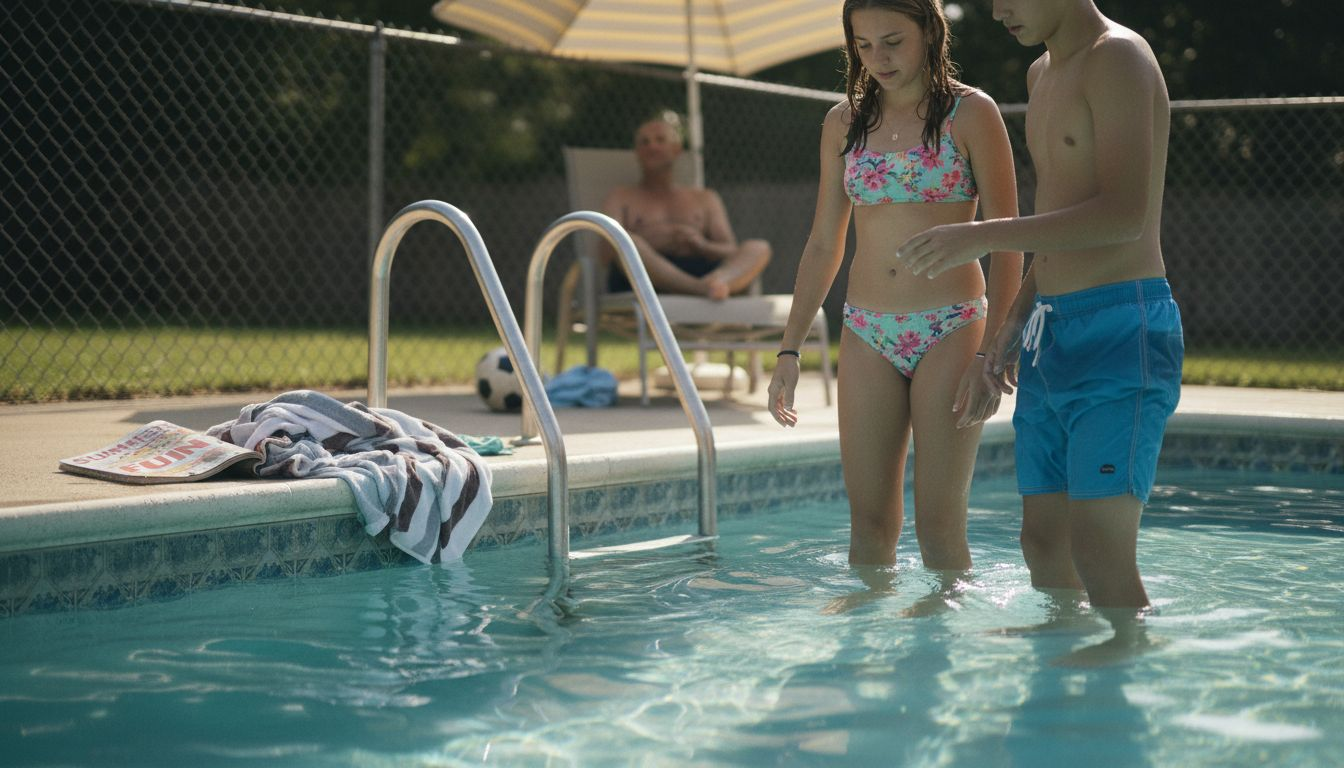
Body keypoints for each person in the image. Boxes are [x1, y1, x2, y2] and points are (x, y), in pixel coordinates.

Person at [895, 0, 1183, 660]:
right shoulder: (1041, 74)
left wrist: (982, 236)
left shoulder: (1119, 60)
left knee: (1099, 544)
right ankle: (1067, 641)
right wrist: (1008, 331)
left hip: (1121, 326)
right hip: (1051, 329)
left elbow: (1123, 215)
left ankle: (1128, 660)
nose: (997, 12)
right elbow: (1059, 217)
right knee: (1042, 541)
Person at [768, 0, 1022, 611]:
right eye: (862, 45)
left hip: (952, 327)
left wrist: (993, 353)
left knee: (938, 524)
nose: (877, 58)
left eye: (892, 41)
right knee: (870, 523)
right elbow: (825, 242)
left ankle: (933, 660)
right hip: (866, 329)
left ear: (931, 33)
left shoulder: (972, 113)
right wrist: (789, 348)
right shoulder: (844, 123)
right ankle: (862, 651)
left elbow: (1010, 238)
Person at [601, 110, 771, 300]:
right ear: (638, 153)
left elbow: (729, 249)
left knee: (758, 247)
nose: (652, 147)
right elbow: (606, 254)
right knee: (625, 240)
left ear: (676, 150)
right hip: (644, 282)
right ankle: (703, 290)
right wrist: (651, 241)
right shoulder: (620, 196)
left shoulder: (705, 198)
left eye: (660, 140)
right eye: (644, 142)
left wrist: (701, 245)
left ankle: (715, 283)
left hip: (702, 271)